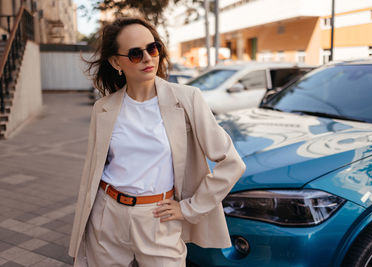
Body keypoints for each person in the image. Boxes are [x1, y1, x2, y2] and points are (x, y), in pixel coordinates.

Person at [68, 16, 246, 267]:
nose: (148, 58)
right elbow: (93, 171)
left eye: (152, 48)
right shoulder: (103, 108)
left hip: (158, 218)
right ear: (116, 62)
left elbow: (232, 162)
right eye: (135, 53)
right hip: (107, 216)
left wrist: (188, 209)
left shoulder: (187, 99)